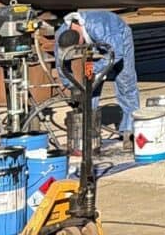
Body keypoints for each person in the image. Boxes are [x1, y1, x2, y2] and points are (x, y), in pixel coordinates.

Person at [55, 10, 139, 151]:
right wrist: (73, 87)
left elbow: (117, 52)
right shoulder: (61, 35)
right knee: (89, 87)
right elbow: (61, 64)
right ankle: (89, 128)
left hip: (119, 38)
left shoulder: (99, 26)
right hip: (94, 43)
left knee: (125, 82)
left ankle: (129, 131)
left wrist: (97, 69)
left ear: (80, 40)